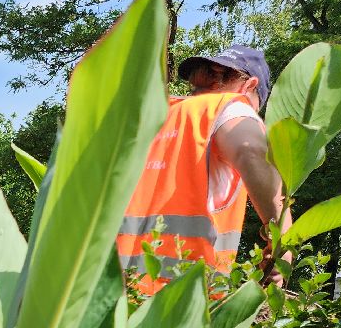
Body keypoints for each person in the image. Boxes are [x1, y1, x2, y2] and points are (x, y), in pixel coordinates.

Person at [117, 46, 290, 294]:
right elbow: (250, 151)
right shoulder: (230, 106)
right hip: (172, 300)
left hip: (104, 292)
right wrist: (282, 241)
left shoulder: (151, 117)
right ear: (249, 86)